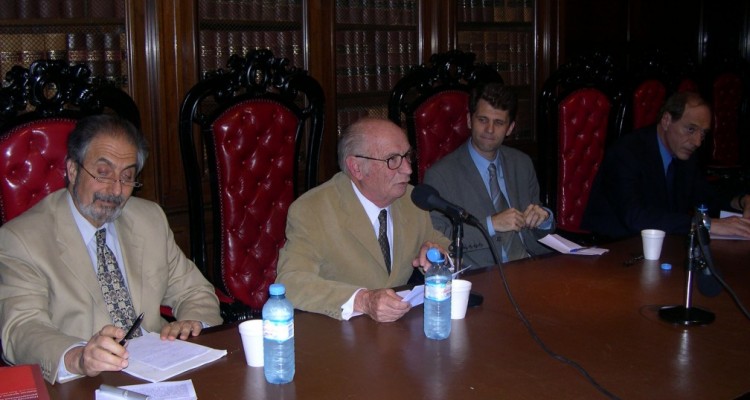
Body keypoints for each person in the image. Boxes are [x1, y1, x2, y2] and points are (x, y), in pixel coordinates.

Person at [0, 115, 222, 384]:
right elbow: (22, 328)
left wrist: (193, 324)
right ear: (72, 170)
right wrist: (78, 357)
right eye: (103, 173)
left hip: (162, 375)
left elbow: (195, 291)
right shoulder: (21, 239)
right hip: (84, 383)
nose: (115, 189)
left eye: (127, 176)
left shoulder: (149, 219)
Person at [276, 117, 451, 323]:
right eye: (393, 160)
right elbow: (291, 282)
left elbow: (445, 249)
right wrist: (363, 300)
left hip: (401, 335)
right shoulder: (312, 210)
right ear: (357, 168)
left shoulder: (412, 201)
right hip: (338, 336)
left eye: (407, 156)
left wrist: (438, 259)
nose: (408, 169)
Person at [582, 91, 750, 239]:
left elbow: (706, 196)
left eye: (703, 133)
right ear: (667, 120)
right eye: (691, 130)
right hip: (613, 246)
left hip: (659, 246)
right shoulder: (627, 152)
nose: (697, 142)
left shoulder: (684, 153)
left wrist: (741, 201)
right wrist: (704, 224)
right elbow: (636, 217)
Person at [423, 82, 554, 268]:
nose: (490, 130)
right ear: (469, 120)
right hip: (482, 275)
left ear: (510, 128)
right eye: (483, 120)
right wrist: (491, 225)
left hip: (532, 265)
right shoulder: (440, 175)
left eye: (499, 123)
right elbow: (437, 239)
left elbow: (537, 218)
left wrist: (544, 219)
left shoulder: (522, 164)